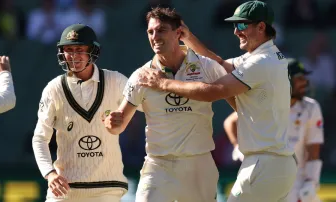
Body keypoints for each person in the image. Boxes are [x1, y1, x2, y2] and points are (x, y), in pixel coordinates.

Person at [137, 1, 298, 201]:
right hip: (277, 163)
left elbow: (213, 91)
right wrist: (189, 38)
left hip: (265, 163)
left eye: (241, 25)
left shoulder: (260, 62)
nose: (235, 32)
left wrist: (163, 84)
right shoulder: (265, 57)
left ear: (261, 27)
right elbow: (219, 64)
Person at [104, 7, 233, 202]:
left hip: (198, 164)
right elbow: (119, 124)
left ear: (178, 33)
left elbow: (233, 91)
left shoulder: (206, 66)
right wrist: (111, 124)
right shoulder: (141, 76)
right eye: (150, 31)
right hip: (158, 166)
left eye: (161, 30)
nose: (155, 36)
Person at [32, 23, 129, 202]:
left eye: (79, 49)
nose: (74, 55)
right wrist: (50, 174)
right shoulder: (54, 89)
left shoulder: (116, 81)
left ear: (93, 51)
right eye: (68, 49)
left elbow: (145, 104)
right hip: (64, 189)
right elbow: (40, 138)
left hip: (106, 187)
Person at [224, 58, 324, 202]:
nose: (304, 83)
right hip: (265, 175)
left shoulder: (310, 108)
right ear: (286, 81)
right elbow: (230, 122)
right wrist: (237, 146)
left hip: (297, 179)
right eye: (299, 78)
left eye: (304, 78)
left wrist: (311, 181)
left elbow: (313, 148)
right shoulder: (266, 103)